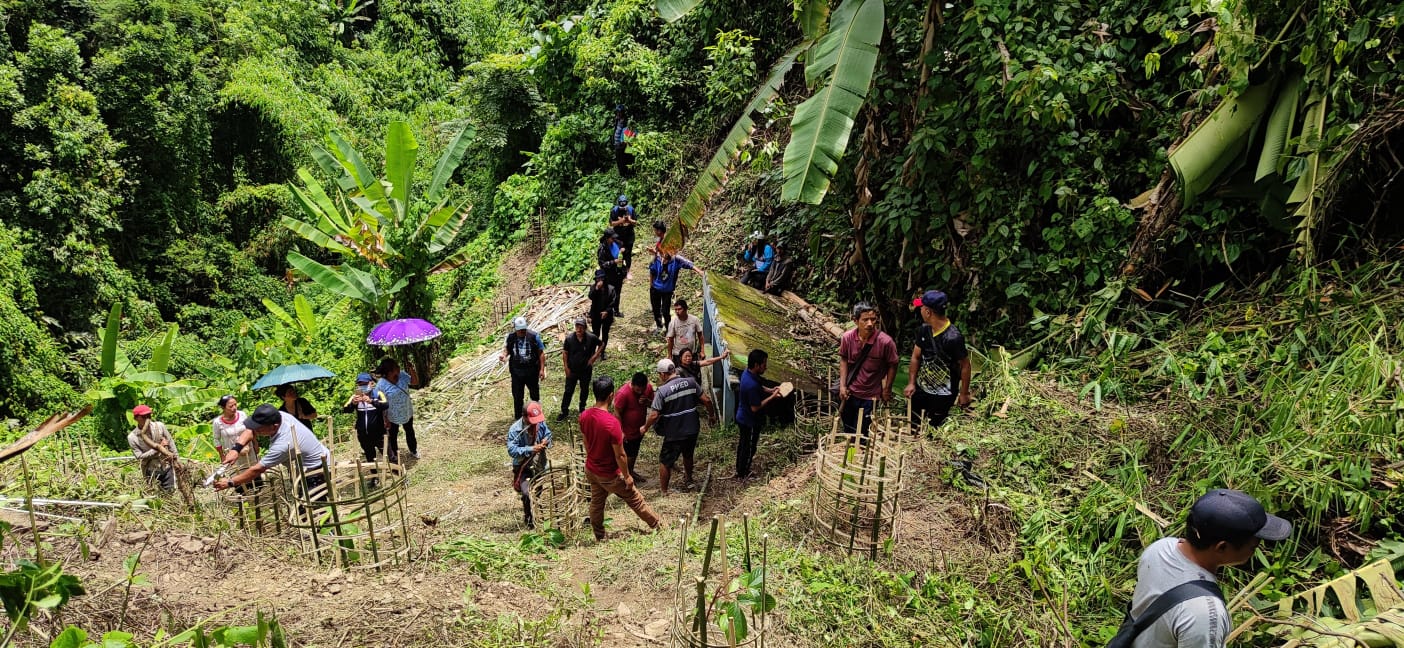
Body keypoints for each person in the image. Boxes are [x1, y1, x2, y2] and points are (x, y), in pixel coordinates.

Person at [1116, 489, 1291, 648]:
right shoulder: (1205, 614)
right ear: (1221, 547)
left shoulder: (1160, 549)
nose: (1256, 551)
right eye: (1253, 546)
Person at [581, 375, 662, 541]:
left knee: (597, 502)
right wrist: (627, 476)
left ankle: (599, 535)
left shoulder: (585, 416)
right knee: (636, 500)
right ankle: (658, 525)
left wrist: (593, 458)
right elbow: (620, 454)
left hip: (591, 469)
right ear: (611, 395)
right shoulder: (612, 423)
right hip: (609, 473)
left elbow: (586, 442)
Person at [214, 404, 331, 498]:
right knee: (305, 508)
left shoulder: (284, 443)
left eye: (259, 428)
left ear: (274, 426)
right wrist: (236, 449)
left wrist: (230, 482)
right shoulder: (279, 416)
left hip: (317, 469)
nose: (256, 431)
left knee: (315, 509)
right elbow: (251, 430)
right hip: (307, 463)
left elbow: (257, 469)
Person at [641, 359, 714, 496]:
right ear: (673, 370)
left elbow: (654, 415)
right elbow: (707, 400)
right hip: (692, 428)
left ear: (663, 375)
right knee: (688, 454)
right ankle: (689, 478)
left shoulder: (662, 391)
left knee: (665, 461)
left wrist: (645, 428)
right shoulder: (691, 382)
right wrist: (711, 416)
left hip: (674, 432)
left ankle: (664, 491)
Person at [903, 290, 972, 433]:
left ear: (928, 312)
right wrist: (911, 383)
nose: (920, 310)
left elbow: (965, 365)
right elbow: (916, 357)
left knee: (934, 433)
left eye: (921, 307)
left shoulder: (953, 337)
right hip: (921, 390)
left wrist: (964, 393)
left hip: (943, 395)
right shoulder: (924, 330)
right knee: (913, 427)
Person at [838, 302, 899, 435]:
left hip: (870, 397)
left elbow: (893, 365)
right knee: (848, 430)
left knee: (862, 432)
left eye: (873, 319)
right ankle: (850, 454)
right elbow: (843, 359)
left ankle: (858, 453)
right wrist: (842, 386)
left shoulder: (885, 342)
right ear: (855, 321)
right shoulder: (847, 338)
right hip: (850, 393)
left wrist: (887, 389)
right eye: (865, 320)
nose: (870, 323)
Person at [734, 350, 781, 480]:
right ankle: (743, 473)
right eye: (764, 364)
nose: (766, 367)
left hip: (743, 415)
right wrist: (772, 396)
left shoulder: (748, 373)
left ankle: (740, 468)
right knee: (748, 447)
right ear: (756, 365)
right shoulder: (751, 385)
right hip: (748, 420)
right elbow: (755, 407)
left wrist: (770, 390)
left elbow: (760, 386)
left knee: (743, 444)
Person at [506, 402, 552, 529]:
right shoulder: (515, 429)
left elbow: (548, 434)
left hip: (538, 464)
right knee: (527, 493)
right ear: (524, 416)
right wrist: (531, 449)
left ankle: (536, 513)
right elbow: (512, 450)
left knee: (537, 490)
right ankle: (529, 519)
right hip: (523, 466)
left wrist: (545, 441)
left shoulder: (540, 423)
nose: (535, 423)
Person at [500, 316, 547, 421]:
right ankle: (519, 418)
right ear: (515, 329)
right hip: (517, 371)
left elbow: (541, 354)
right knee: (517, 395)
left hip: (531, 370)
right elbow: (507, 349)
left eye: (524, 329)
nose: (522, 332)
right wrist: (504, 355)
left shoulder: (534, 336)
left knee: (534, 394)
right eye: (520, 330)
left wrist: (542, 369)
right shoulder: (511, 337)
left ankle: (536, 415)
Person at [612, 372, 653, 483]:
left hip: (639, 428)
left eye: (642, 389)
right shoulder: (623, 394)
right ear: (632, 384)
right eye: (638, 390)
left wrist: (647, 401)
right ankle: (625, 475)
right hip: (627, 430)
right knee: (627, 454)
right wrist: (620, 430)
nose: (640, 392)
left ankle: (630, 471)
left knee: (634, 452)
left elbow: (653, 404)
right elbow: (617, 412)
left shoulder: (648, 388)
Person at [648, 250, 702, 335]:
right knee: (656, 309)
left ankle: (668, 329)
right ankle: (659, 326)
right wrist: (651, 286)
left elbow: (689, 264)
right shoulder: (657, 258)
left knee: (665, 311)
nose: (664, 254)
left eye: (667, 252)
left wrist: (700, 272)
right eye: (663, 252)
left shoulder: (676, 260)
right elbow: (651, 271)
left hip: (667, 291)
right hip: (655, 289)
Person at [559, 317, 602, 421]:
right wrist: (566, 367)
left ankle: (582, 408)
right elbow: (565, 353)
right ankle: (564, 411)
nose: (579, 329)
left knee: (584, 389)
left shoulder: (591, 338)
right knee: (568, 390)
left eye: (581, 327)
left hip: (585, 370)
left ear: (585, 328)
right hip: (572, 369)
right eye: (577, 326)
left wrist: (594, 357)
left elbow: (601, 344)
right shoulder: (569, 339)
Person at [376, 357, 419, 461]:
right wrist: (385, 419)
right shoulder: (381, 384)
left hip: (406, 410)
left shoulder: (402, 375)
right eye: (396, 367)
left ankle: (413, 450)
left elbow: (415, 382)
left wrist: (411, 369)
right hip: (392, 415)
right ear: (390, 371)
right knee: (393, 436)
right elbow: (380, 403)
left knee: (409, 431)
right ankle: (395, 455)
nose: (399, 368)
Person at [342, 373, 389, 462]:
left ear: (371, 383)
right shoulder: (354, 397)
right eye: (360, 384)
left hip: (379, 433)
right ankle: (374, 474)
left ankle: (396, 471)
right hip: (364, 435)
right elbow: (345, 410)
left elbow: (386, 405)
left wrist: (371, 401)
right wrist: (353, 403)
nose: (362, 386)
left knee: (387, 454)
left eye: (365, 384)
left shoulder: (378, 394)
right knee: (370, 456)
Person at [128, 404, 176, 491]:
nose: (147, 419)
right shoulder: (132, 437)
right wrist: (157, 449)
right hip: (151, 470)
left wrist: (177, 460)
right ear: (136, 418)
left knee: (170, 493)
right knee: (154, 496)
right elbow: (139, 456)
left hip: (166, 467)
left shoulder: (160, 426)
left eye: (149, 416)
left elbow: (171, 443)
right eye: (144, 416)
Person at [212, 395, 255, 471]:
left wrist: (255, 444)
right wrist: (222, 456)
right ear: (223, 408)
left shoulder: (242, 415)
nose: (234, 408)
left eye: (235, 404)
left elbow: (250, 429)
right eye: (230, 406)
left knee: (253, 472)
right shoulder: (218, 422)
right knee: (238, 475)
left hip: (248, 450)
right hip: (232, 454)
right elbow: (216, 440)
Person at [588, 270, 616, 360]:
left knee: (605, 333)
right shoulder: (593, 288)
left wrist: (607, 311)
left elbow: (613, 301)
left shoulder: (611, 289)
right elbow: (590, 297)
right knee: (595, 333)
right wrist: (596, 289)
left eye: (601, 278)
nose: (600, 280)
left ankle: (602, 351)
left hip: (607, 315)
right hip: (596, 314)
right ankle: (593, 351)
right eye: (598, 279)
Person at [597, 228, 626, 316]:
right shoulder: (602, 249)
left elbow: (622, 247)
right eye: (611, 238)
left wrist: (622, 250)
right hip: (609, 275)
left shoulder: (616, 242)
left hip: (618, 272)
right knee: (609, 294)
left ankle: (616, 311)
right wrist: (613, 262)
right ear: (606, 238)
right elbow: (602, 264)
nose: (613, 239)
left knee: (618, 293)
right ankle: (607, 312)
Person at [609, 195, 639, 273]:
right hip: (618, 237)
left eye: (624, 207)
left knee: (628, 254)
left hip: (629, 236)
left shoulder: (631, 209)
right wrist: (621, 221)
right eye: (621, 207)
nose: (623, 208)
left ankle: (628, 271)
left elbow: (635, 222)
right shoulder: (614, 210)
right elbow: (611, 223)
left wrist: (629, 220)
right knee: (619, 254)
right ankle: (620, 270)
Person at [612, 104, 631, 176]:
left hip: (622, 144)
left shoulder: (626, 121)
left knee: (623, 161)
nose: (618, 114)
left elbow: (627, 133)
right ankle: (622, 175)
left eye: (620, 112)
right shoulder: (617, 119)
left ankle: (625, 175)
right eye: (617, 112)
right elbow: (616, 130)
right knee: (619, 161)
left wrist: (623, 143)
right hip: (617, 144)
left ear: (623, 112)